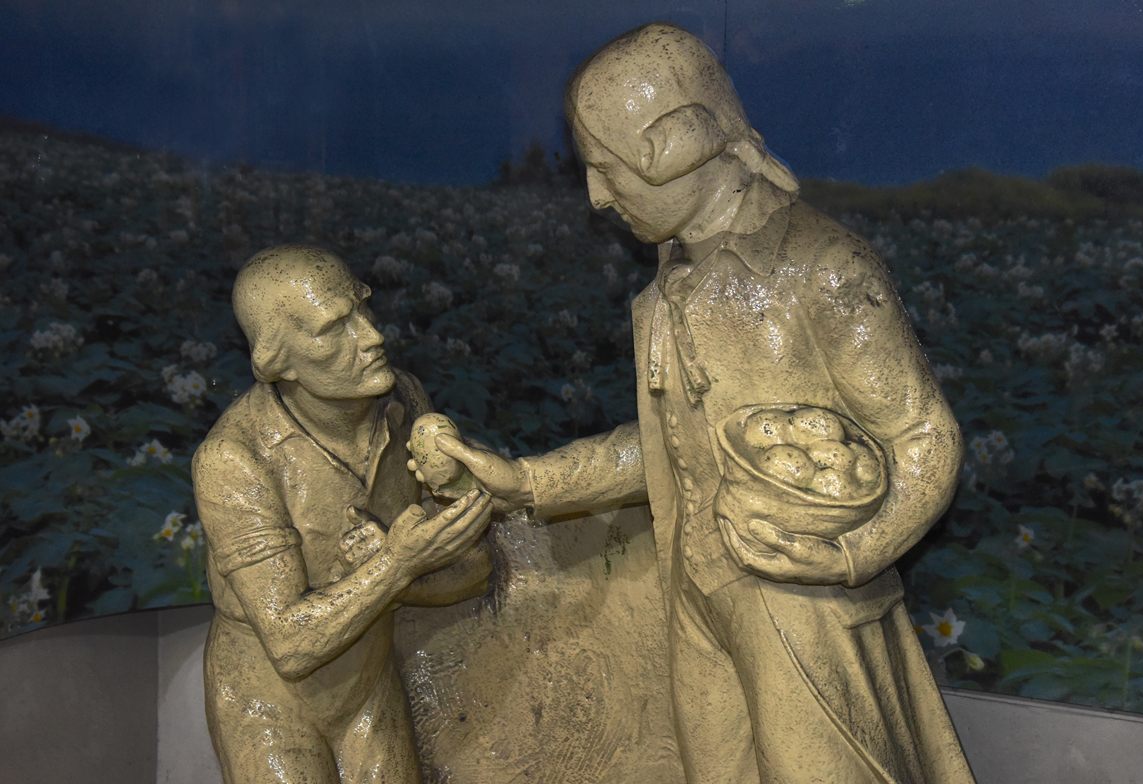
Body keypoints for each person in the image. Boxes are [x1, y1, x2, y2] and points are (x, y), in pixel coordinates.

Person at [434, 24, 974, 784]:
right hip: (700, 602)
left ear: (678, 146)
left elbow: (924, 435)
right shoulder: (664, 293)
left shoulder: (822, 268)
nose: (595, 198)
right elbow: (657, 444)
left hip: (802, 607)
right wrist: (526, 482)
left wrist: (851, 553)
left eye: (607, 170)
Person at [192, 244, 493, 784]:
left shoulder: (404, 402)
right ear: (275, 360)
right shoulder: (234, 460)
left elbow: (473, 572)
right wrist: (398, 566)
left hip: (367, 690)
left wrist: (395, 573)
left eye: (362, 308)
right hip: (270, 706)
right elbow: (289, 645)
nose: (373, 337)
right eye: (335, 329)